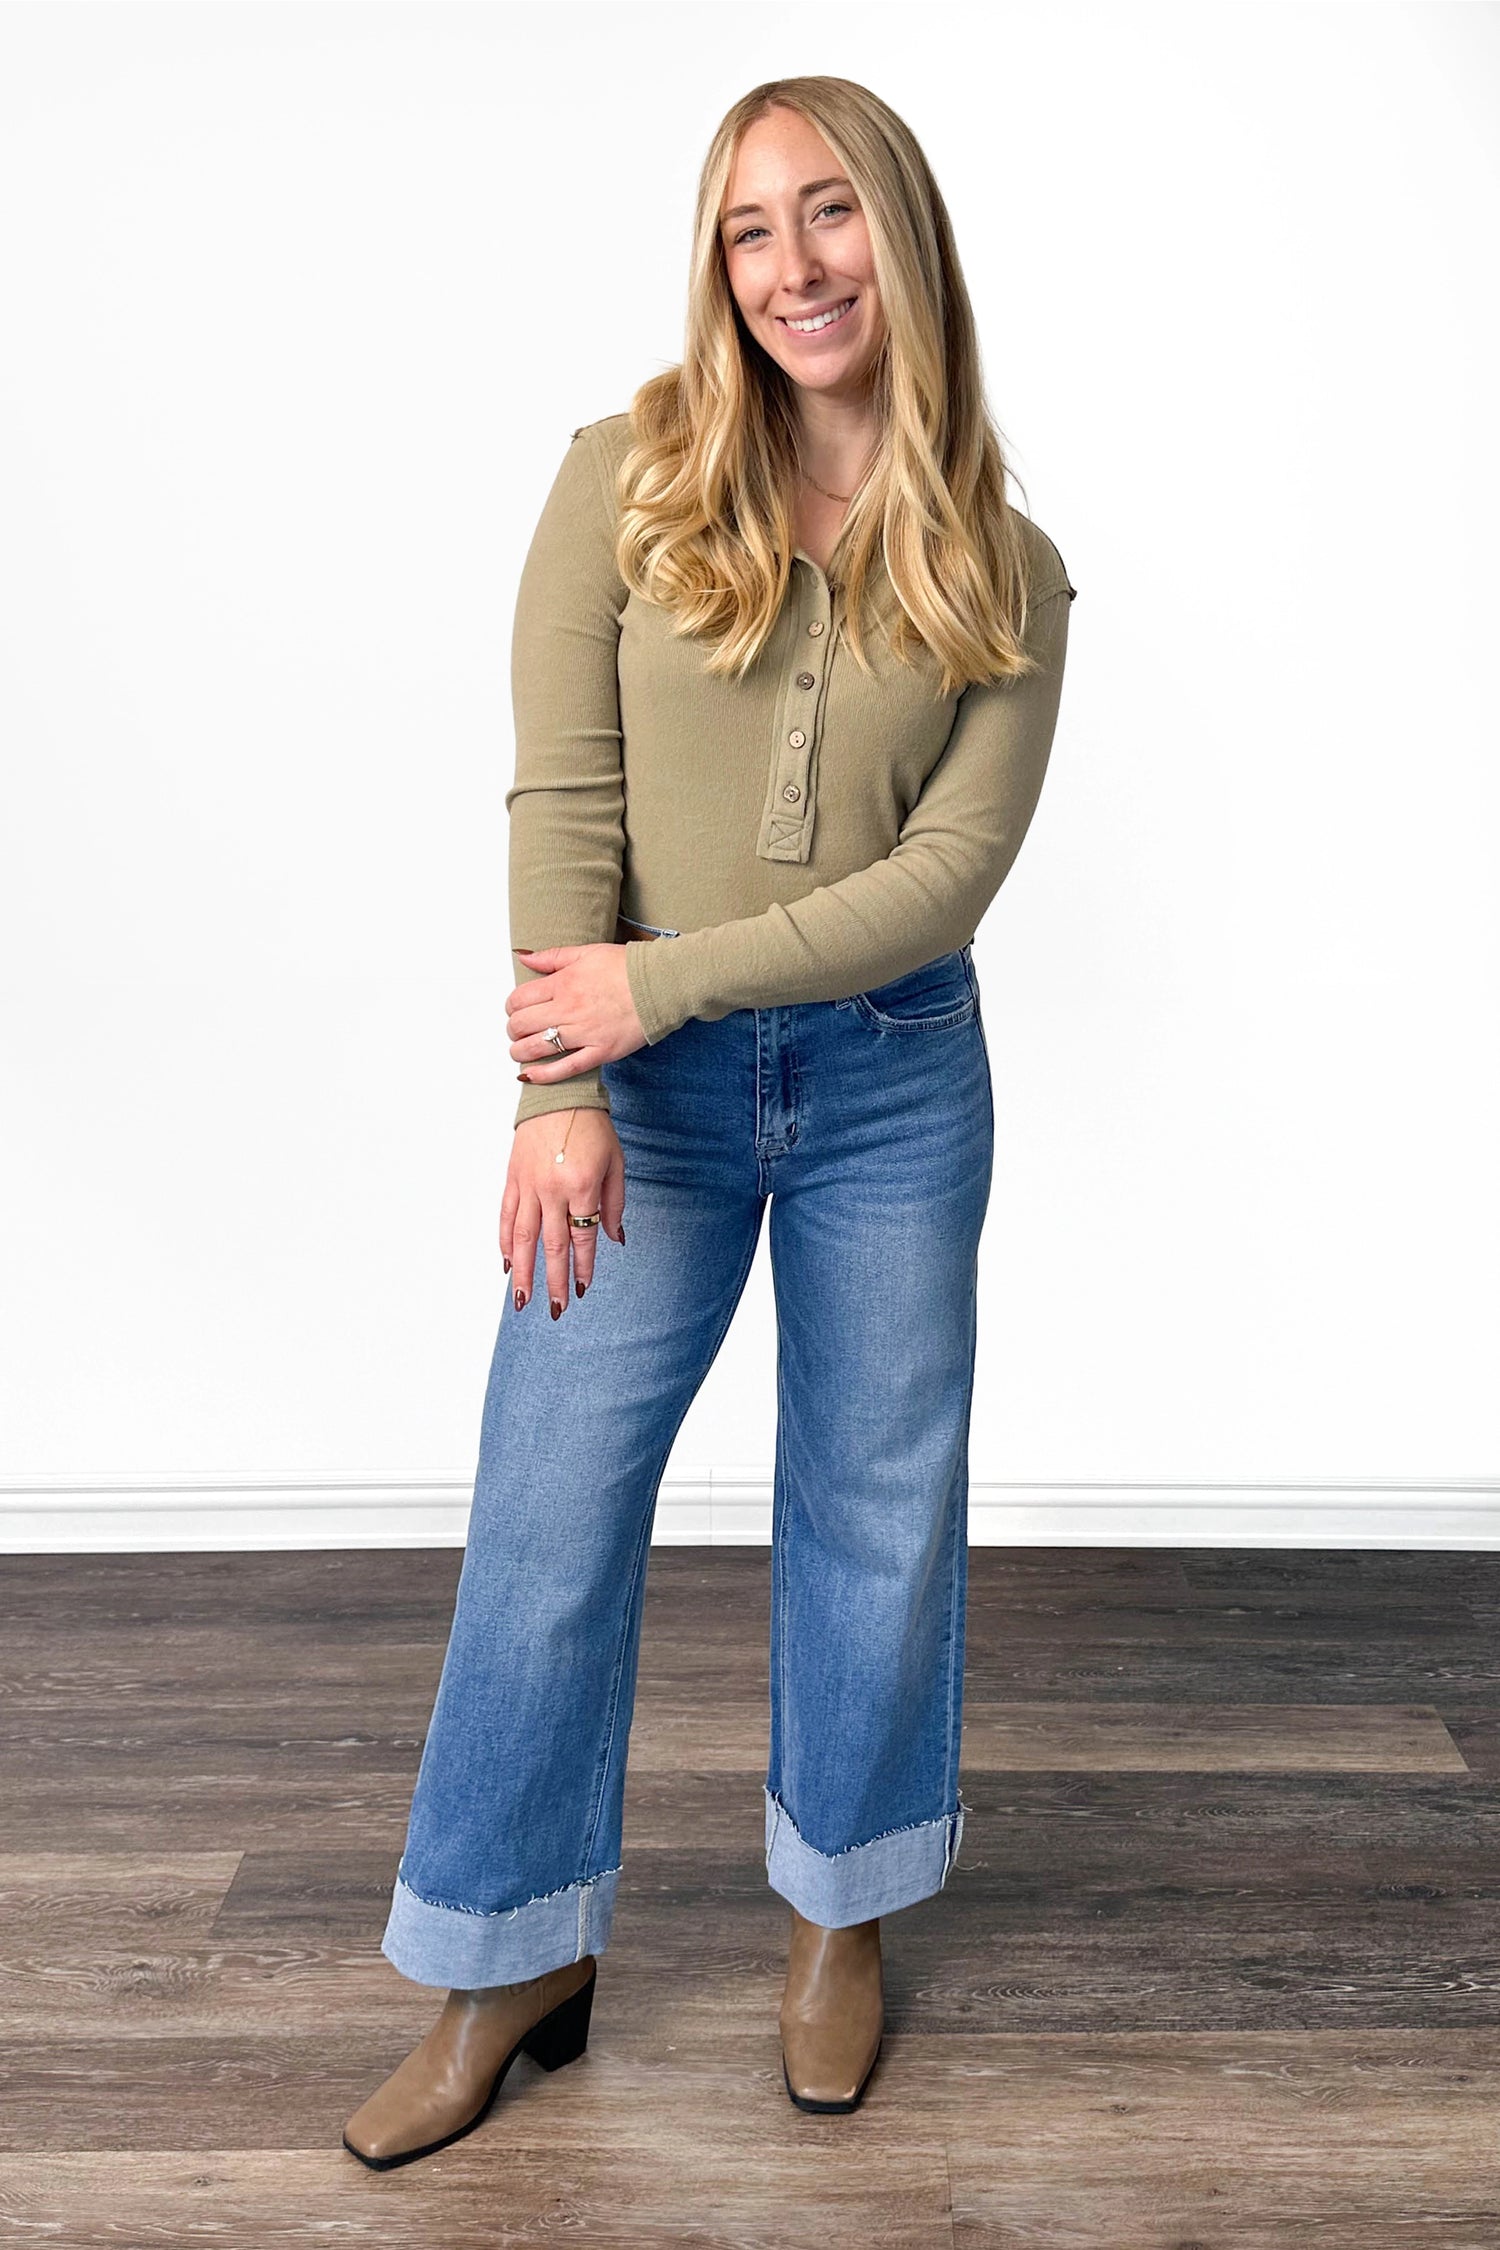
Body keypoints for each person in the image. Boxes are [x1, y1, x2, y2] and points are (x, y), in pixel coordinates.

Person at [343, 72, 1075, 2169]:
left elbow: (944, 882)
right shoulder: (627, 473)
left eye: (828, 213)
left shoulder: (1010, 565)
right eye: (750, 227)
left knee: (875, 1501)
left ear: (899, 235)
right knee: (548, 1502)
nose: (791, 266)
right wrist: (560, 1085)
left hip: (894, 1077)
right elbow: (562, 792)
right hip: (632, 1101)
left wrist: (650, 988)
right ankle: (506, 1959)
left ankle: (842, 1916)